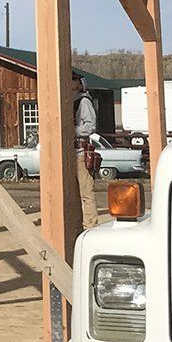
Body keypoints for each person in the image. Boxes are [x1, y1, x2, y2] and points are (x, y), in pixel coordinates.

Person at [73, 74, 99, 227]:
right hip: (69, 153)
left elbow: (90, 126)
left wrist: (72, 130)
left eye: (72, 80)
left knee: (86, 193)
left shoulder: (83, 101)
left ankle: (91, 226)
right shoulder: (70, 101)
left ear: (78, 84)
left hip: (80, 152)